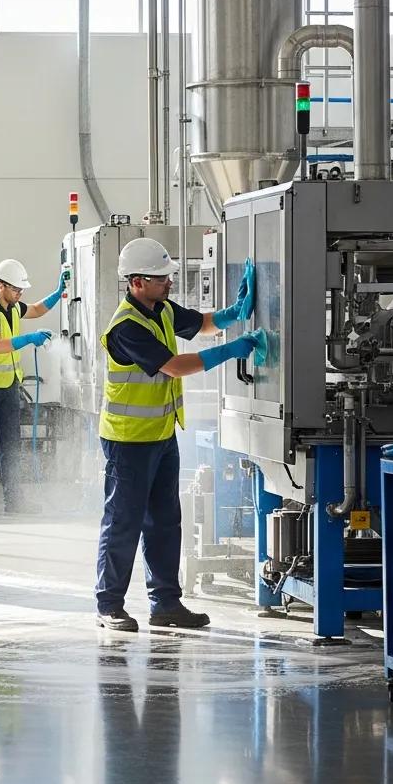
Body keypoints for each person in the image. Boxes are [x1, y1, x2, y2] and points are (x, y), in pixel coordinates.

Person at [96, 237, 264, 631]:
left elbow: (200, 323)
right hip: (128, 441)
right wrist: (230, 350)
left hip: (160, 435)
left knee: (165, 522)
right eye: (161, 278)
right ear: (137, 282)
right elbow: (172, 366)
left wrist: (235, 313)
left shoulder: (162, 309)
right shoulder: (126, 327)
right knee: (124, 522)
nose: (169, 282)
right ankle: (109, 607)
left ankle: (166, 605)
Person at [0, 258, 64, 516]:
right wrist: (28, 338)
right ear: (0, 285)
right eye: (16, 289)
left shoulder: (14, 307)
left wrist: (58, 294)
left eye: (21, 290)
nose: (20, 293)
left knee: (12, 444)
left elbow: (37, 310)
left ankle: (15, 501)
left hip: (7, 385)